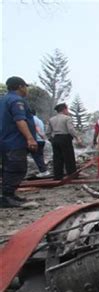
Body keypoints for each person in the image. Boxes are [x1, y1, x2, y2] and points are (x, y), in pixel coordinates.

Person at [0, 76, 37, 208]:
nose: (26, 90)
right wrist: (30, 138)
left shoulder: (4, 99)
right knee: (17, 168)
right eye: (25, 87)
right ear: (21, 87)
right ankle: (7, 197)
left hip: (5, 140)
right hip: (14, 141)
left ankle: (10, 195)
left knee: (8, 168)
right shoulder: (17, 100)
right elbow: (20, 120)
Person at [46, 103, 83, 180]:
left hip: (55, 138)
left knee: (57, 158)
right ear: (64, 109)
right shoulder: (67, 118)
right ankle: (72, 175)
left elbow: (48, 132)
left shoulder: (51, 119)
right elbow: (71, 129)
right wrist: (77, 137)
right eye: (67, 109)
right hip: (65, 138)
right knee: (69, 158)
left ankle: (58, 176)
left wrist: (51, 139)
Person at [30, 109, 50, 177]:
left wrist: (40, 135)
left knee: (36, 156)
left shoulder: (31, 119)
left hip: (36, 140)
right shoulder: (39, 120)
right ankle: (44, 170)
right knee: (39, 156)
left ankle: (44, 171)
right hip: (41, 141)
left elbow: (36, 128)